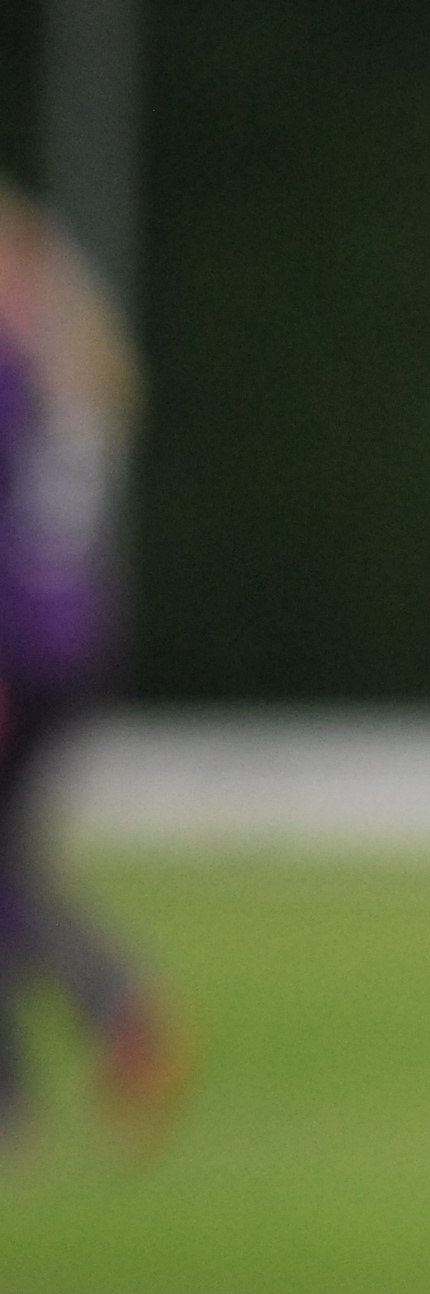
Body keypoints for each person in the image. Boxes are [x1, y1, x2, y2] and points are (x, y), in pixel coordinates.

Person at [0, 184, 182, 1152]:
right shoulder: (84, 373)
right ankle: (103, 1018)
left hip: (18, 648)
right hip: (76, 641)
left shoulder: (11, 377)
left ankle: (107, 1011)